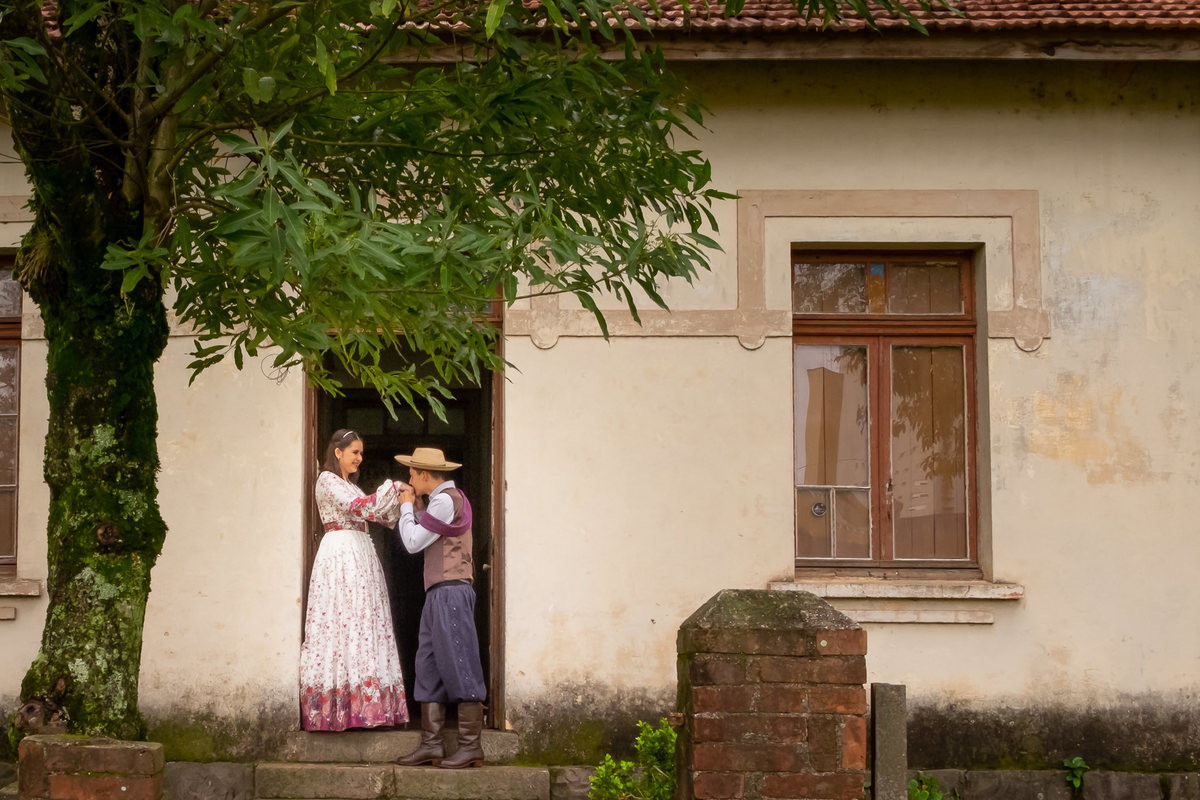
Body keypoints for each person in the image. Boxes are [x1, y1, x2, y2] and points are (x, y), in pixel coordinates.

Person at [299, 429, 410, 731]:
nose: (360, 458)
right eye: (355, 452)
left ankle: (367, 708)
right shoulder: (327, 480)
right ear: (338, 452)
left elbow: (380, 516)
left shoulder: (350, 485)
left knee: (362, 621)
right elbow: (361, 507)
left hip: (359, 553)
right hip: (341, 554)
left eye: (361, 453)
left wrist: (401, 500)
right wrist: (391, 487)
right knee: (342, 621)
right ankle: (339, 709)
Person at [392, 446, 487, 770]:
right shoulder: (440, 502)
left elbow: (413, 542)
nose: (410, 481)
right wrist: (417, 509)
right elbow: (430, 534)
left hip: (451, 592)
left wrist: (407, 508)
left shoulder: (446, 501)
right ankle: (431, 744)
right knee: (428, 665)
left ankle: (471, 747)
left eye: (412, 474)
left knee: (461, 663)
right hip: (438, 593)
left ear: (424, 474)